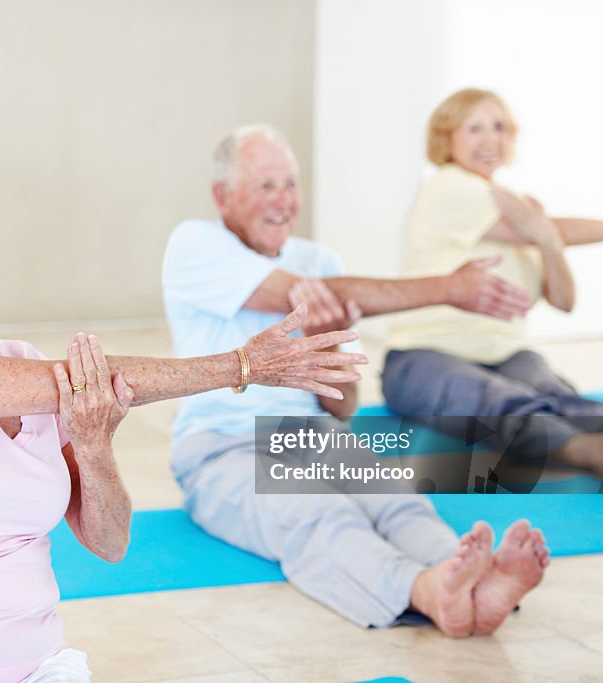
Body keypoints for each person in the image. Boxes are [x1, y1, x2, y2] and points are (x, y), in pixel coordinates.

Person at [0, 160, 367, 682]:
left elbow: (109, 543)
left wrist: (94, 445)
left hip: (36, 667)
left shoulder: (18, 356)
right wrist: (242, 365)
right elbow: (76, 381)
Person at [161, 123, 551, 636]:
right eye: (265, 186)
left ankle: (476, 586)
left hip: (311, 433)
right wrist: (448, 288)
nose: (284, 200)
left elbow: (343, 407)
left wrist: (328, 353)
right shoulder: (195, 243)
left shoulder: (320, 261)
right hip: (220, 447)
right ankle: (425, 591)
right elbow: (299, 292)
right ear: (222, 196)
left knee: (397, 500)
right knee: (318, 513)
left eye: (291, 184)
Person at [382, 88, 603, 487]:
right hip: (422, 359)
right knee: (496, 398)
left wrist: (548, 239)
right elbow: (555, 230)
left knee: (553, 391)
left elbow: (565, 298)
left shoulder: (522, 214)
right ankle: (586, 452)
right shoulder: (449, 186)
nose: (490, 139)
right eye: (474, 128)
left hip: (505, 353)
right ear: (446, 140)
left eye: (499, 127)